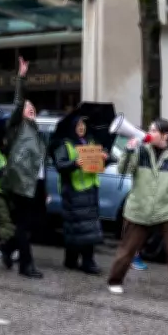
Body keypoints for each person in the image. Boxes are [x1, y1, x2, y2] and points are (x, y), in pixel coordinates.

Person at [107, 119, 168, 305]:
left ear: (165, 135)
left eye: (153, 130)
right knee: (128, 249)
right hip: (139, 209)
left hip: (167, 211)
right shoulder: (140, 151)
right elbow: (123, 170)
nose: (148, 132)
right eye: (148, 129)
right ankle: (115, 280)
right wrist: (129, 150)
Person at [1, 57, 46, 279]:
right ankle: (26, 265)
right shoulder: (17, 128)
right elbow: (19, 102)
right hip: (20, 183)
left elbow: (40, 163)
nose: (30, 109)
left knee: (33, 225)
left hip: (35, 184)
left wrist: (44, 188)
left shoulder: (35, 131)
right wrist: (21, 77)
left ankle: (8, 247)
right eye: (27, 107)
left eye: (32, 107)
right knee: (23, 226)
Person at [53, 117, 105, 275]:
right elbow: (59, 165)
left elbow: (100, 163)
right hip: (73, 192)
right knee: (76, 228)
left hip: (90, 191)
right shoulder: (65, 144)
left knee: (86, 228)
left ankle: (76, 259)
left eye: (83, 124)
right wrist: (75, 163)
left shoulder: (90, 142)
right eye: (78, 124)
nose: (81, 127)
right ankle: (84, 261)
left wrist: (105, 158)